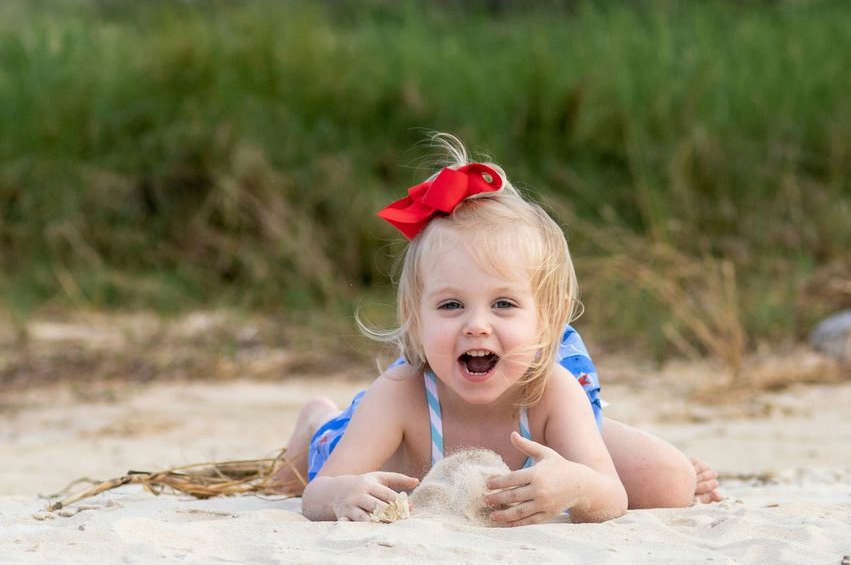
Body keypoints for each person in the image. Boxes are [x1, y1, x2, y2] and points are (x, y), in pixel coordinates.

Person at [271, 134, 721, 524]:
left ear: (548, 319)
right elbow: (318, 493)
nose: (477, 326)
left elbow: (611, 495)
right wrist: (343, 494)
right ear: (414, 316)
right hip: (355, 443)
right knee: (320, 454)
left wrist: (574, 488)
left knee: (660, 481)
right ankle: (315, 420)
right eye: (451, 305)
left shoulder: (553, 392)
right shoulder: (401, 392)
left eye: (503, 304)